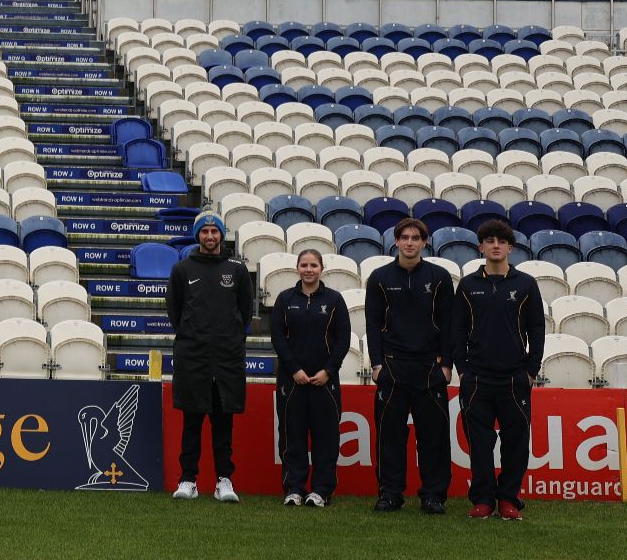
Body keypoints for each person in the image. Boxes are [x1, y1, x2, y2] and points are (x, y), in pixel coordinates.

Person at [450, 220, 544, 522]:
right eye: (489, 241)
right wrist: (462, 370)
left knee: (516, 442)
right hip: (477, 378)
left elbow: (537, 329)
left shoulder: (526, 284)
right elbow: (457, 331)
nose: (495, 246)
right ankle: (483, 500)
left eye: (501, 241)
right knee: (479, 443)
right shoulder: (468, 285)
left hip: (515, 377)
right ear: (481, 247)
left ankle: (508, 498)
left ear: (509, 248)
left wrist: (531, 370)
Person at [364, 217, 457, 514]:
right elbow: (372, 323)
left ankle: (433, 495)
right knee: (389, 435)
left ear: (424, 242)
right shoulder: (379, 277)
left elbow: (449, 324)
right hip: (392, 367)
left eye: (415, 238)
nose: (409, 242)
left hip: (430, 368)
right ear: (395, 241)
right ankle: (390, 493)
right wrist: (377, 365)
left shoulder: (440, 277)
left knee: (433, 435)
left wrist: (446, 365)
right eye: (404, 237)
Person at [166, 212, 256, 503]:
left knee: (223, 425)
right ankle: (188, 479)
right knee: (191, 424)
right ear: (197, 235)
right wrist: (195, 338)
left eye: (214, 231)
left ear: (221, 235)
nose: (209, 236)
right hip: (193, 358)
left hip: (226, 360)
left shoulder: (237, 269)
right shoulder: (182, 269)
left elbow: (244, 313)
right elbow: (175, 313)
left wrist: (227, 340)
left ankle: (223, 481)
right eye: (204, 231)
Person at [270, 249, 351, 507]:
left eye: (313, 265)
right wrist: (294, 369)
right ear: (297, 268)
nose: (308, 269)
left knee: (325, 439)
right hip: (291, 381)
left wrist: (328, 370)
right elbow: (278, 338)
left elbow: (343, 339)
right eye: (304, 265)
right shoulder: (284, 299)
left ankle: (321, 491)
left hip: (325, 381)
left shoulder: (335, 300)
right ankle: (294, 488)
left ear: (321, 268)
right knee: (292, 437)